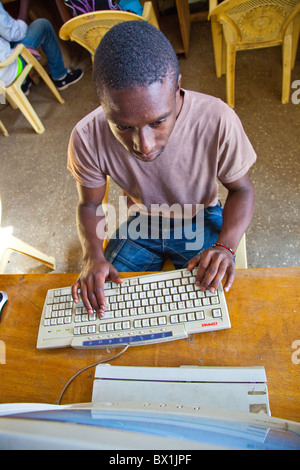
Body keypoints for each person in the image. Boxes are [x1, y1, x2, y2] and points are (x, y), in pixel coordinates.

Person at [67, 21, 256, 317]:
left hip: (200, 215)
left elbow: (242, 188)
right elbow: (89, 203)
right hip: (142, 220)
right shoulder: (87, 135)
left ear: (177, 87)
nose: (144, 145)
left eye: (157, 122)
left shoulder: (217, 118)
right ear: (103, 105)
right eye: (124, 127)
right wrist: (91, 254)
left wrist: (226, 246)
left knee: (216, 312)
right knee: (104, 306)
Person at [0, 0, 83, 92]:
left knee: (5, 33)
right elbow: (17, 34)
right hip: (6, 70)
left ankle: (23, 83)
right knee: (43, 25)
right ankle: (61, 76)